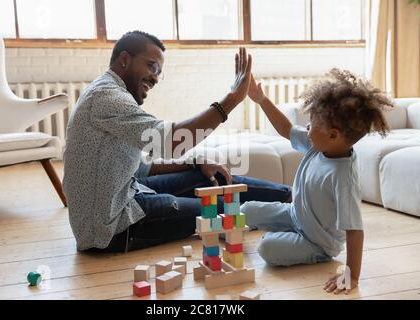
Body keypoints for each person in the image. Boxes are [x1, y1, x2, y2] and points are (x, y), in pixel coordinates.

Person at [63, 31, 291, 254]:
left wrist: (194, 163)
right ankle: (294, 215)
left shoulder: (110, 92)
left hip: (129, 193)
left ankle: (291, 196)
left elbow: (142, 168)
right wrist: (232, 100)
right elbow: (173, 143)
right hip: (110, 227)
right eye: (152, 66)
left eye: (159, 72)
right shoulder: (107, 97)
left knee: (209, 178)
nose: (155, 77)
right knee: (228, 211)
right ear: (125, 59)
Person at [241, 69, 393, 294]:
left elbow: (355, 231)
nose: (307, 127)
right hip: (296, 214)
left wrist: (352, 275)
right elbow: (286, 129)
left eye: (312, 124)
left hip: (317, 241)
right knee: (244, 210)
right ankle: (278, 233)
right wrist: (261, 99)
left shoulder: (343, 177)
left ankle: (310, 252)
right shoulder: (319, 144)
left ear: (333, 135)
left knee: (266, 247)